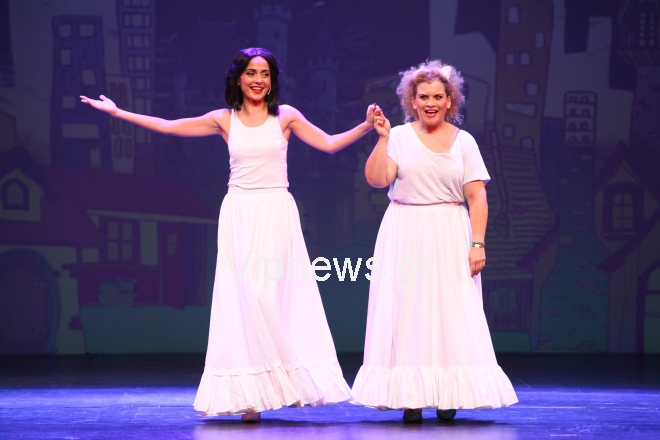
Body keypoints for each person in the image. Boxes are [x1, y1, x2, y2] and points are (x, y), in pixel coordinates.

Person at [81, 47, 379, 422]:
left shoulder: (285, 116)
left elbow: (330, 143)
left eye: (265, 74)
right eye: (251, 73)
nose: (258, 80)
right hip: (240, 212)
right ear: (238, 78)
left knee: (271, 296)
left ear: (272, 81)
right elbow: (171, 126)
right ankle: (250, 396)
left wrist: (366, 126)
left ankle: (285, 382)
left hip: (275, 212)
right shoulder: (225, 119)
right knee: (244, 299)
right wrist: (118, 113)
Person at [352, 60, 518, 423]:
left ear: (449, 100)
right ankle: (411, 396)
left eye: (438, 97)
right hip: (405, 230)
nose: (430, 103)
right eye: (423, 96)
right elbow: (378, 179)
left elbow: (477, 197)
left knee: (451, 312)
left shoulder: (464, 142)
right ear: (412, 100)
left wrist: (478, 244)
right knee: (407, 311)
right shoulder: (398, 136)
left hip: (449, 232)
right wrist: (382, 139)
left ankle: (448, 392)